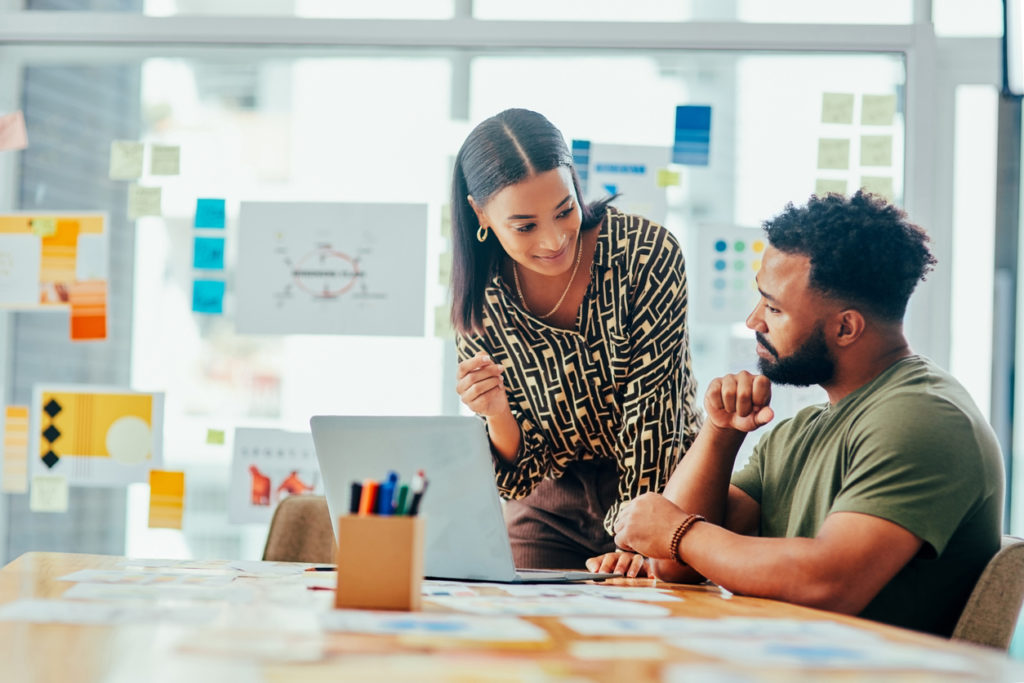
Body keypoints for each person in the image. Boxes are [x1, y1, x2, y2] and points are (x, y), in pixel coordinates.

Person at [595, 191, 1004, 636]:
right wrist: (720, 432)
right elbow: (674, 566)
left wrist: (679, 532)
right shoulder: (802, 430)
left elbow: (830, 582)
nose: (754, 321)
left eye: (774, 308)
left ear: (845, 327)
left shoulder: (924, 419)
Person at [450, 108, 701, 571]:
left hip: (661, 490)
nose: (553, 241)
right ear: (480, 213)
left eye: (564, 210)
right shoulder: (480, 299)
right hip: (547, 506)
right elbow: (519, 475)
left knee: (651, 630)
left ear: (575, 182)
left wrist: (638, 543)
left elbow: (654, 419)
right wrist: (496, 411)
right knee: (528, 634)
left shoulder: (645, 254)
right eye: (524, 226)